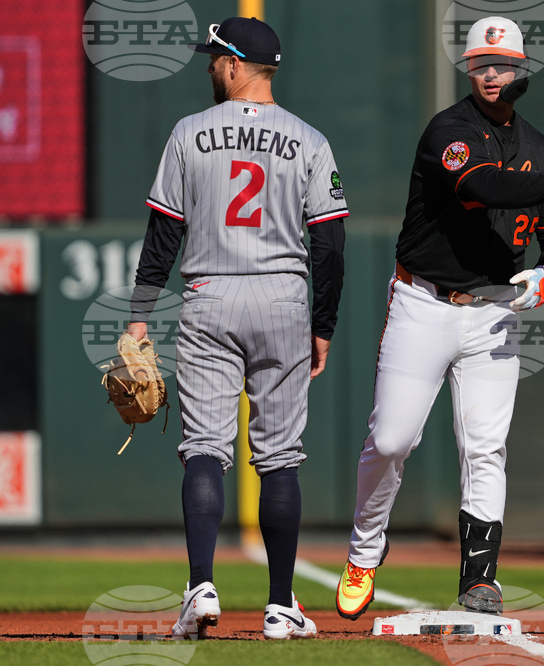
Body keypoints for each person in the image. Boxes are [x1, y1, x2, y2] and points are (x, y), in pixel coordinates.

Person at [334, 15, 544, 620]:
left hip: (493, 311)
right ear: (469, 69)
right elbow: (487, 187)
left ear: (523, 70)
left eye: (503, 64)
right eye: (481, 64)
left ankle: (480, 578)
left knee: (486, 448)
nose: (492, 74)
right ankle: (366, 548)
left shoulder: (538, 148)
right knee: (391, 440)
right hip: (424, 302)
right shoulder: (450, 129)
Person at [127, 17, 348, 640]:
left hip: (208, 296)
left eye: (214, 58)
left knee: (204, 450)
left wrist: (142, 313)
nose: (208, 67)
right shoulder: (309, 139)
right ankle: (281, 607)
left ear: (234, 64)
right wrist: (323, 324)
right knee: (279, 459)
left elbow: (163, 233)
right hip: (283, 298)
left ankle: (200, 588)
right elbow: (329, 243)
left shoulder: (188, 133)